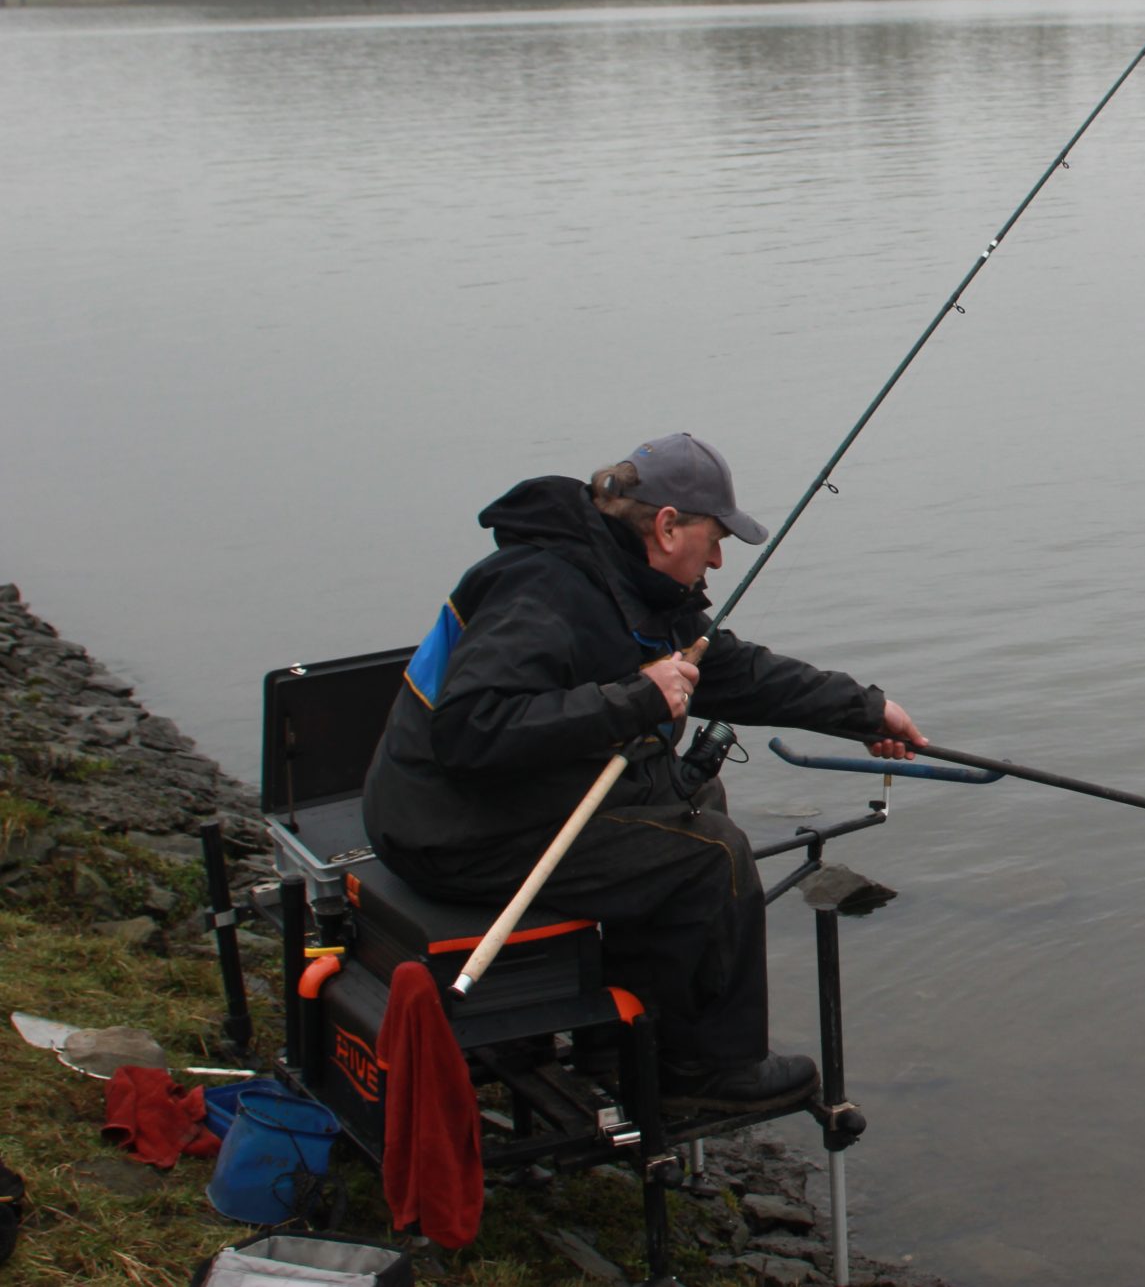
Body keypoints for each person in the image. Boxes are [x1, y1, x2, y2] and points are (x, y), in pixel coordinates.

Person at [362, 433, 925, 1112]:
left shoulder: (632, 582)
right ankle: (705, 1071)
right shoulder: (541, 584)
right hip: (448, 825)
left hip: (498, 797)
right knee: (711, 857)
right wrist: (634, 697)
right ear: (666, 525)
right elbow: (471, 729)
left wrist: (864, 711)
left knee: (691, 793)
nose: (719, 558)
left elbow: (727, 670)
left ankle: (620, 1036)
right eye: (713, 538)